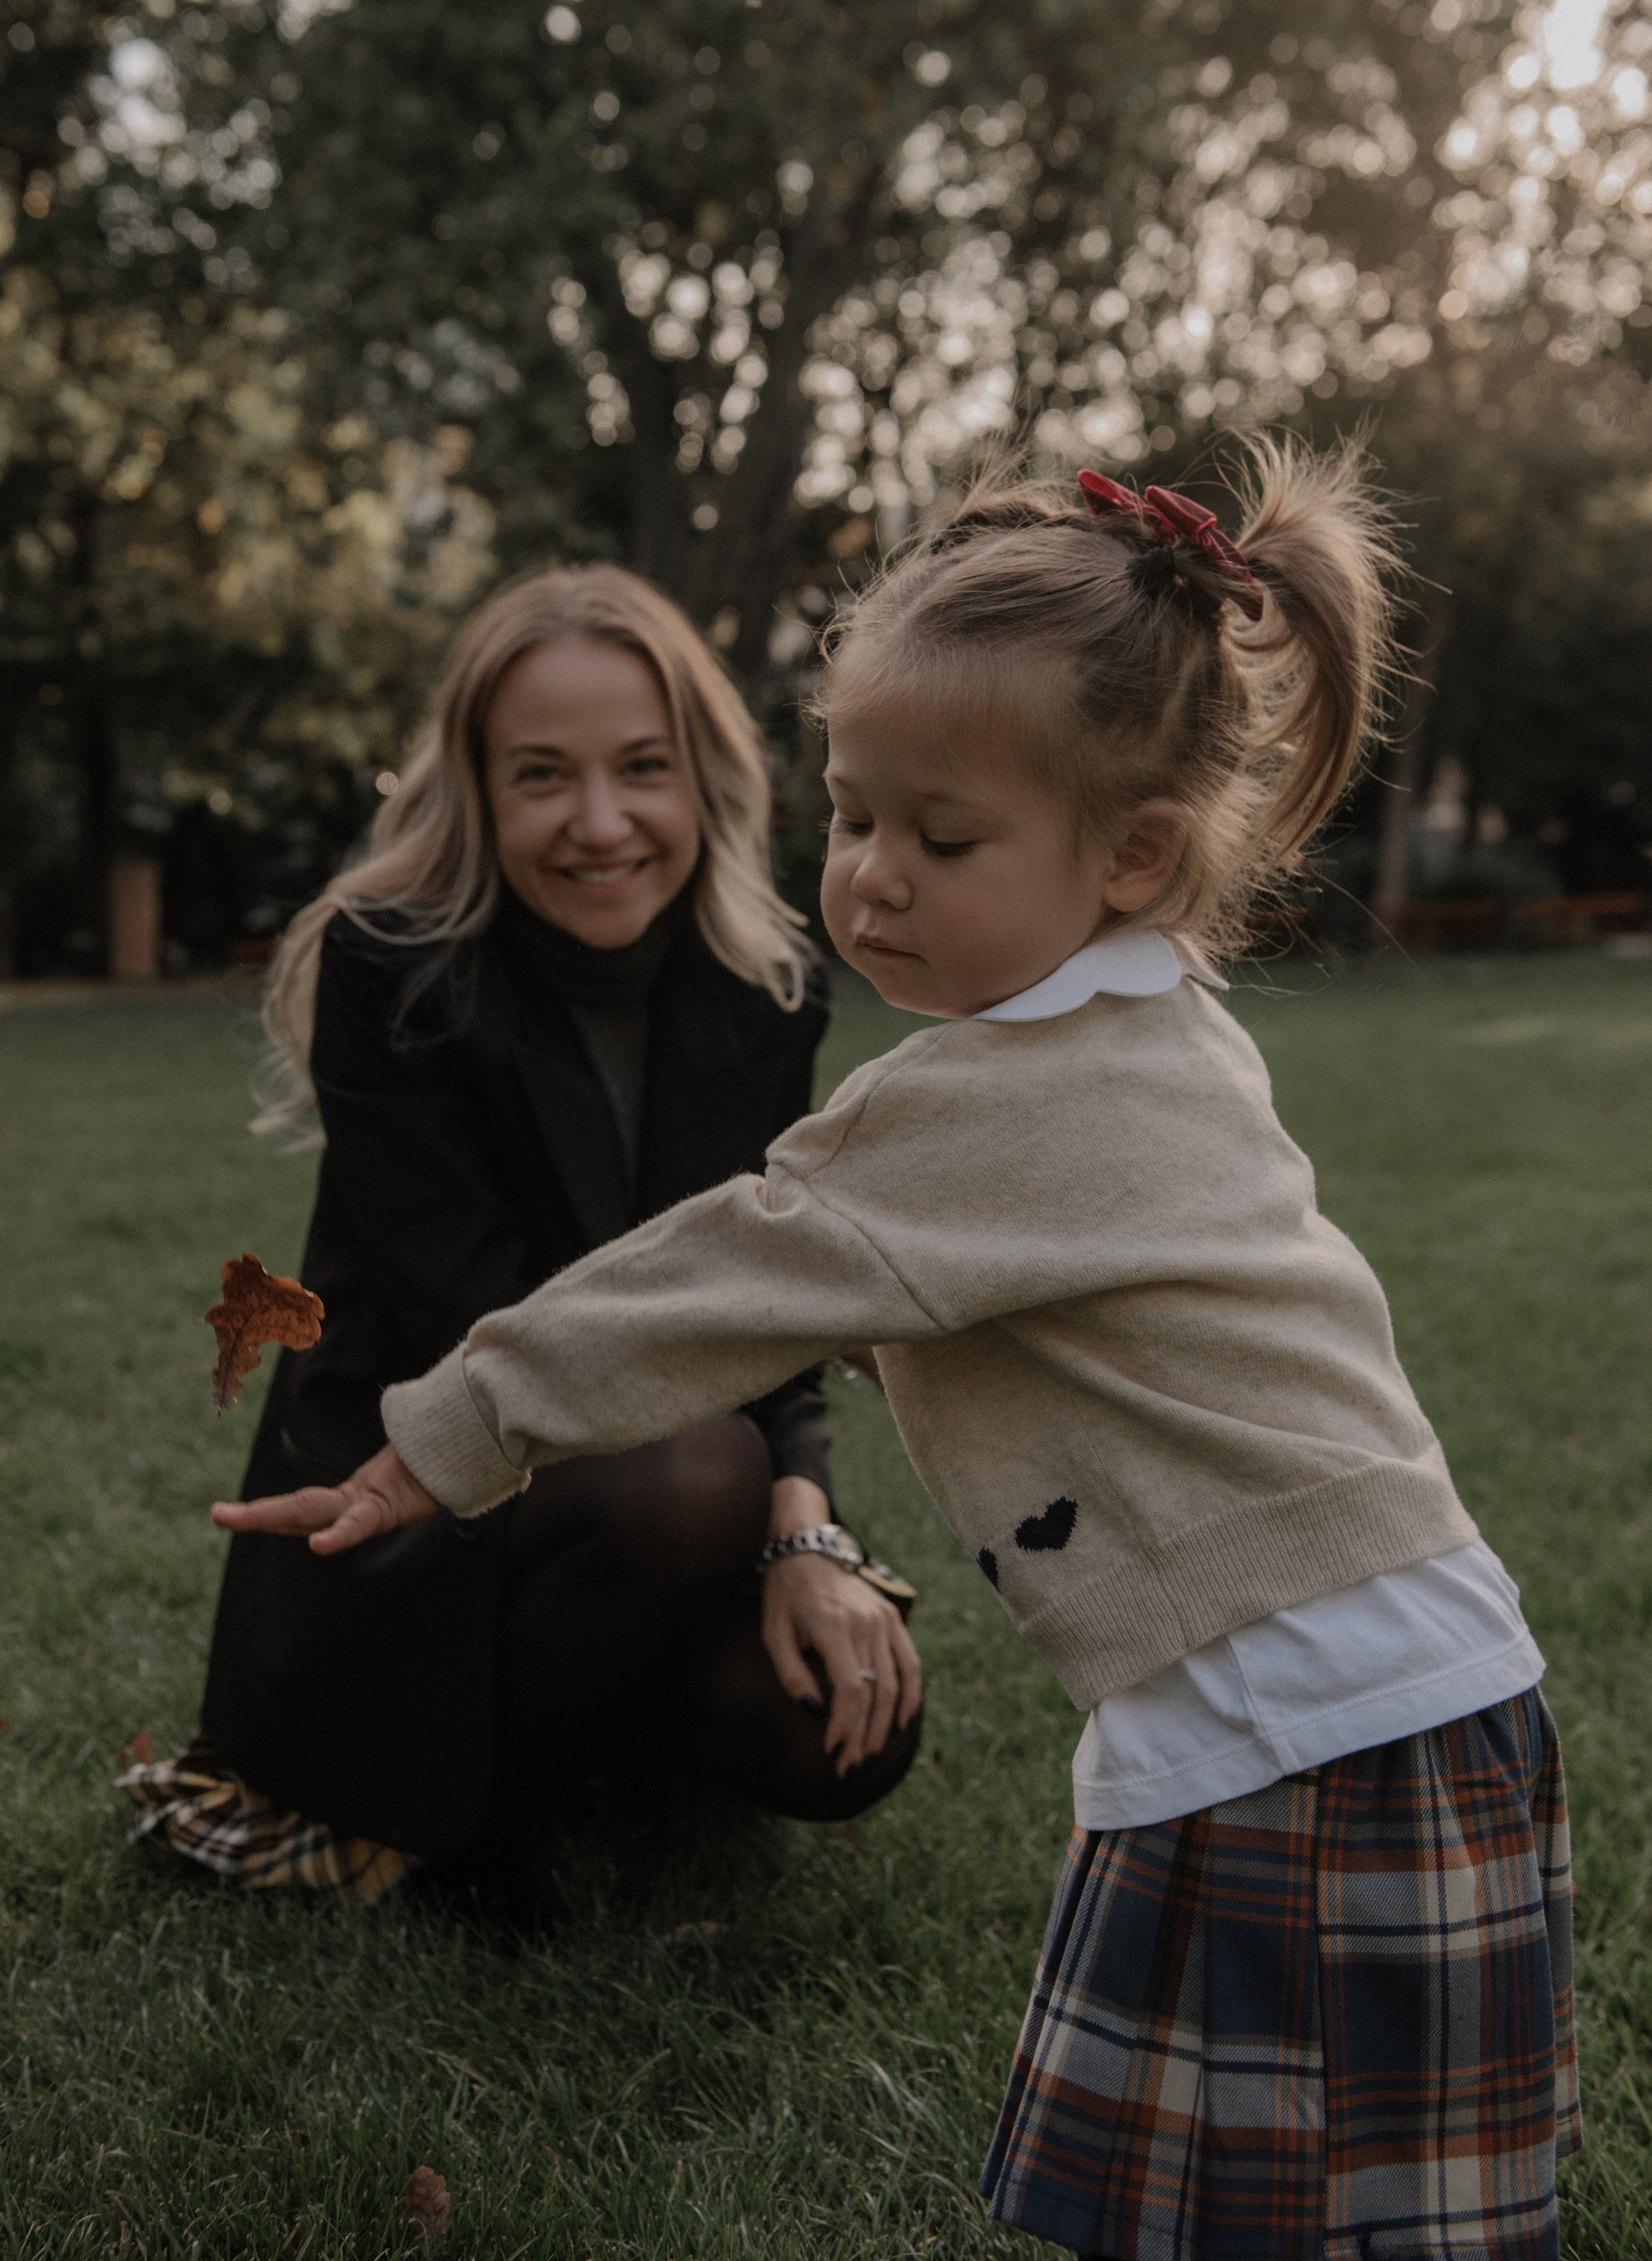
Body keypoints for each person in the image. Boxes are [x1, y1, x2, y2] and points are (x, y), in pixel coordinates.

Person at [217, 441, 1578, 2259]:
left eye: (942, 840)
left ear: (1136, 853)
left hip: (1298, 1738)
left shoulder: (982, 1105)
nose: (869, 879)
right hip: (1389, 1695)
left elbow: (725, 1272)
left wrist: (446, 1436)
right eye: (854, 816)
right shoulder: (1166, 1024)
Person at [130, 567, 922, 1912]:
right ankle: (445, 1818)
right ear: (477, 792)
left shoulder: (763, 982)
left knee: (841, 1727)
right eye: (543, 775)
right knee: (687, 1472)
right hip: (416, 1494)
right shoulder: (396, 968)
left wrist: (805, 1533)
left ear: (702, 781)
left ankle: (577, 1736)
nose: (600, 823)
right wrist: (744, 1479)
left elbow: (766, 1303)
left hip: (672, 1478)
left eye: (641, 769)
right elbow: (484, 1321)